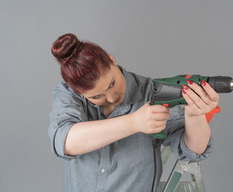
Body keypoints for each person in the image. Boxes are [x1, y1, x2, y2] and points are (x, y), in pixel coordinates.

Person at [48, 33, 219, 192]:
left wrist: (195, 115)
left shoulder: (152, 93)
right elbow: (66, 142)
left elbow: (194, 151)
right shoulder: (67, 94)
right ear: (78, 92)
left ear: (112, 60)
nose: (111, 97)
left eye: (112, 84)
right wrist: (134, 122)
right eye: (97, 96)